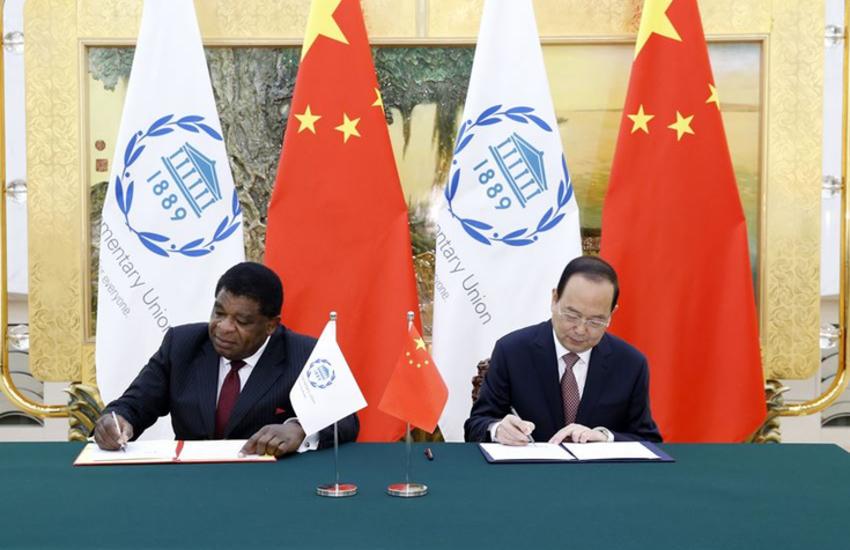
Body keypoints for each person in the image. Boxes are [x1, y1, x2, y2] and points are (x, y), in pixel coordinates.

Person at [93, 262, 359, 457]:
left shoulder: (305, 353)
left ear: (271, 326)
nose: (223, 327)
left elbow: (346, 420)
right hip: (192, 484)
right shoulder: (182, 345)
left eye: (241, 321)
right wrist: (116, 421)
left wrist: (298, 429)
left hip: (269, 487)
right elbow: (134, 404)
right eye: (219, 313)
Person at [464, 256, 661, 445]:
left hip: (598, 476)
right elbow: (476, 425)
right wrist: (497, 429)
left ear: (612, 314)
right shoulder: (512, 351)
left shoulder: (630, 364)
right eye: (571, 315)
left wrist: (605, 438)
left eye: (596, 321)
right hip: (528, 474)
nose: (581, 329)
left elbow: (649, 440)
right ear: (554, 299)